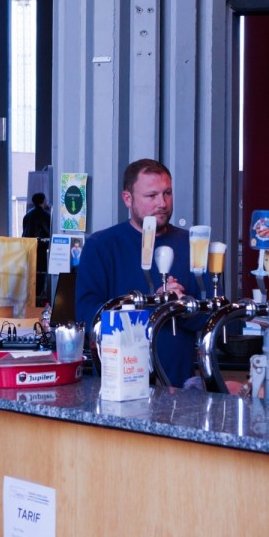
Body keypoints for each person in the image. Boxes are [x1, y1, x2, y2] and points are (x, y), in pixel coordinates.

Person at [75, 158, 200, 386]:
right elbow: (87, 315)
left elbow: (212, 317)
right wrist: (154, 306)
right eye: (151, 196)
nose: (162, 203)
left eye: (167, 193)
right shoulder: (102, 246)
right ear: (127, 198)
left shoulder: (192, 244)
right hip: (119, 384)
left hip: (179, 387)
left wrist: (182, 307)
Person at [22, 193, 51, 299]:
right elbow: (48, 232)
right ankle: (38, 298)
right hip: (41, 249)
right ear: (43, 201)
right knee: (40, 274)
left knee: (30, 274)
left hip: (28, 248)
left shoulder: (27, 215)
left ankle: (30, 297)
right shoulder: (45, 215)